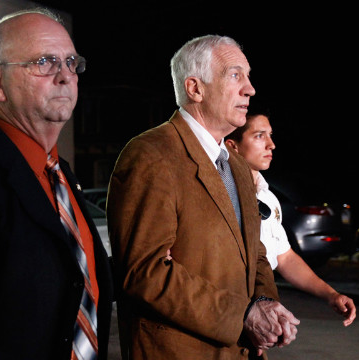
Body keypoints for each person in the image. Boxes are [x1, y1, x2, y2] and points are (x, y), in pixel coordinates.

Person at [107, 35, 299, 360]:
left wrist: (265, 303)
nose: (250, 89)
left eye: (248, 77)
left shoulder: (237, 165)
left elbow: (255, 252)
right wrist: (243, 316)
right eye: (235, 75)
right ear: (195, 89)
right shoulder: (151, 155)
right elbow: (143, 271)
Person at [0, 8, 114, 359]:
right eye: (45, 62)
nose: (65, 76)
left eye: (71, 62)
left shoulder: (61, 174)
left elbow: (67, 277)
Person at [225, 109, 357, 327]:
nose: (271, 144)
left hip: (261, 315)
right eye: (259, 135)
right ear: (232, 146)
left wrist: (331, 295)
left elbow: (285, 257)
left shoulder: (269, 198)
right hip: (229, 314)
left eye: (270, 135)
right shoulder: (219, 195)